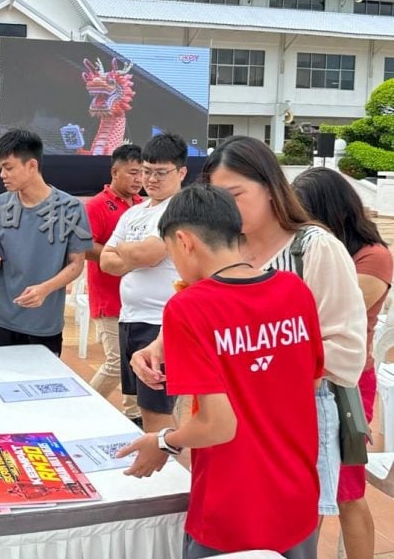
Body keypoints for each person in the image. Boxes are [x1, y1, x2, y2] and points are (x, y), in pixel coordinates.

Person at [131, 136, 366, 522]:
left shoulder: (312, 249)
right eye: (217, 196)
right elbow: (203, 313)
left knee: (289, 521)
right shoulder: (225, 248)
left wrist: (256, 369)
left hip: (290, 416)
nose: (226, 207)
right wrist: (160, 345)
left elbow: (347, 349)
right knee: (234, 513)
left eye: (235, 193)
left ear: (272, 188)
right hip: (224, 415)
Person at [118, 184, 323, 558]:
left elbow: (217, 426)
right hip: (296, 496)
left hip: (232, 508)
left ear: (184, 241)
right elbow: (311, 379)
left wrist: (163, 441)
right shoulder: (294, 289)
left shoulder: (190, 307)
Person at [293, 167, 393, 559]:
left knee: (348, 490)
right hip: (307, 378)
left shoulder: (373, 256)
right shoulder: (308, 249)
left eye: (305, 211)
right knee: (309, 487)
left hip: (347, 383)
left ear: (329, 210)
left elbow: (336, 312)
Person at [0, 129, 92, 356]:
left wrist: (45, 289)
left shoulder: (70, 208)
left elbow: (76, 264)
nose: (2, 175)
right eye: (0, 168)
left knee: (40, 388)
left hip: (44, 322)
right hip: (0, 317)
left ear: (31, 166)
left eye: (8, 167)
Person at [99, 132, 187, 432]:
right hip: (131, 319)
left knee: (160, 413)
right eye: (146, 171)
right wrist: (132, 254)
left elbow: (149, 254)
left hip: (161, 322)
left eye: (161, 173)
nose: (151, 179)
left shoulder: (180, 207)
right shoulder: (135, 212)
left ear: (181, 172)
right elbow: (105, 262)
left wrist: (125, 251)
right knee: (145, 406)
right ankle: (166, 465)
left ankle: (171, 470)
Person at [84, 144, 143, 417]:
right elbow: (85, 246)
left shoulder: (145, 206)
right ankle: (81, 408)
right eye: (133, 173)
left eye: (143, 173)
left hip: (138, 299)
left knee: (136, 361)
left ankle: (133, 414)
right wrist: (122, 257)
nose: (139, 179)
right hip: (108, 296)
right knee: (116, 361)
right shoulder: (97, 205)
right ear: (115, 172)